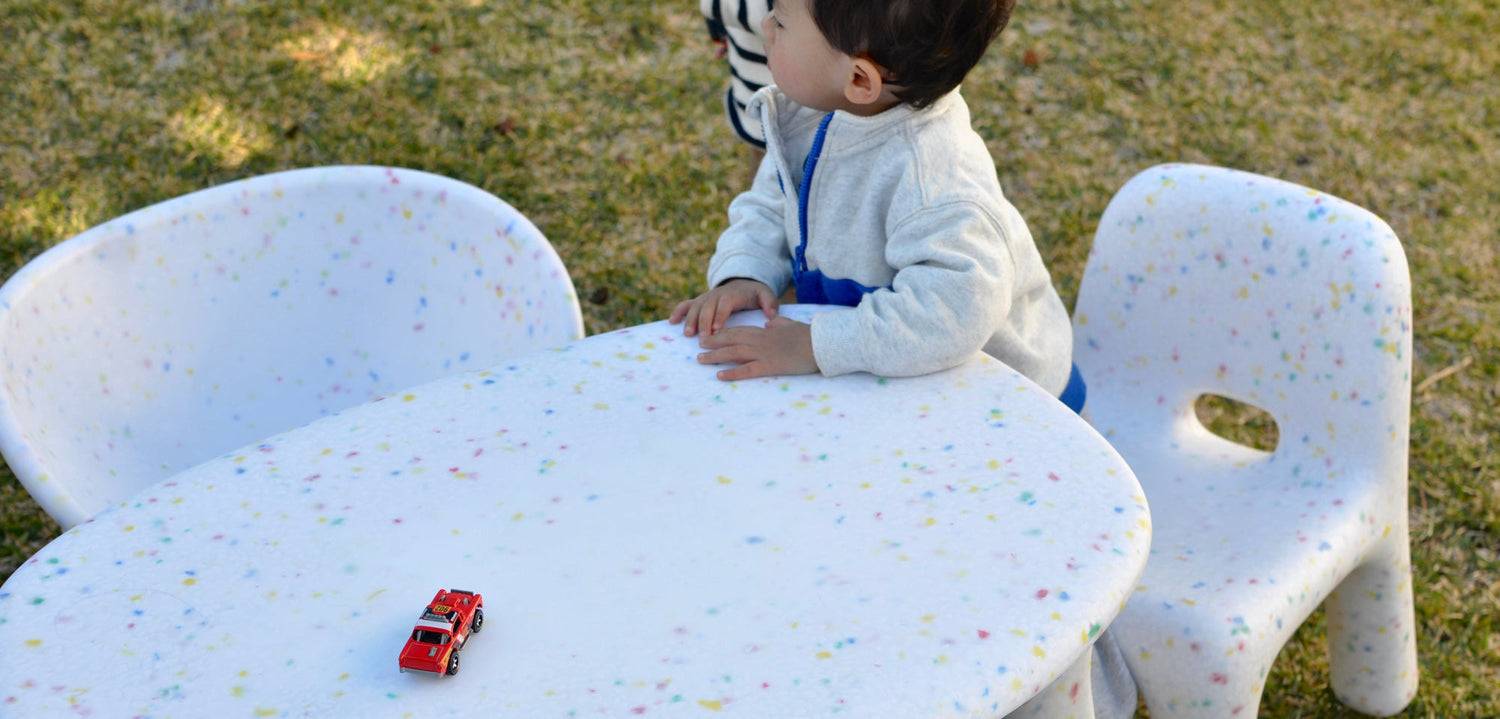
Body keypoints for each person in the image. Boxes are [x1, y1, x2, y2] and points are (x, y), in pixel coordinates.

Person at [677, 0, 1133, 715]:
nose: (763, 25)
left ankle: (1071, 682)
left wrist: (815, 343)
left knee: (1003, 579)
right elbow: (773, 198)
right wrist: (745, 272)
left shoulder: (929, 171)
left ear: (860, 78)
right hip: (909, 391)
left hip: (1007, 423)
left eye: (783, 22)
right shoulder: (819, 111)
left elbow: (958, 308)